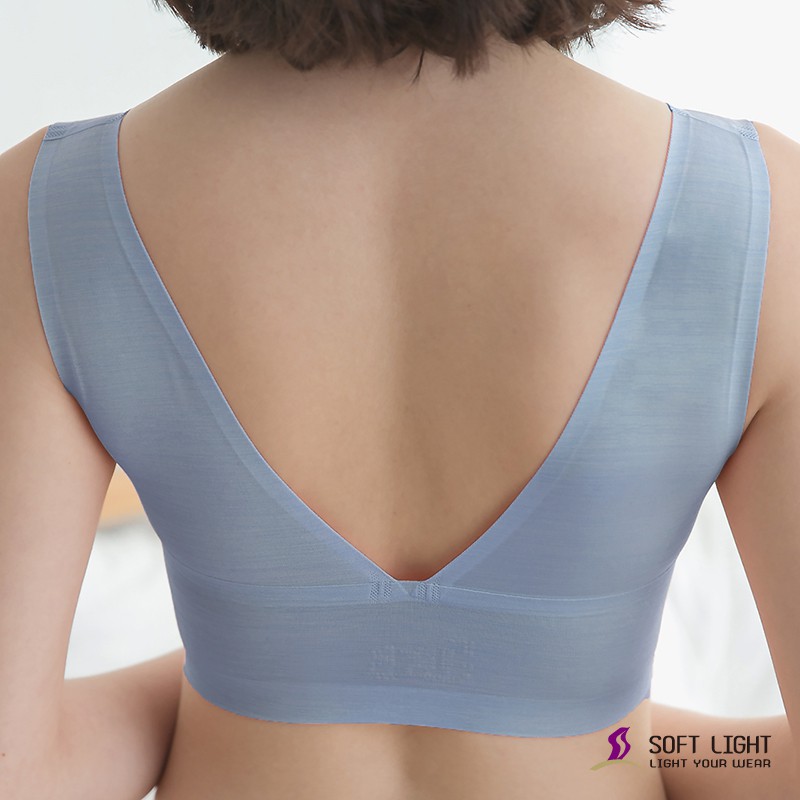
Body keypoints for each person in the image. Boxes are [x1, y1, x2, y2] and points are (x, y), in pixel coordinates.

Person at [2, 2, 799, 798]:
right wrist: (611, 741)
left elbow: (19, 771)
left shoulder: (50, 208)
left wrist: (238, 674)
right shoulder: (757, 213)